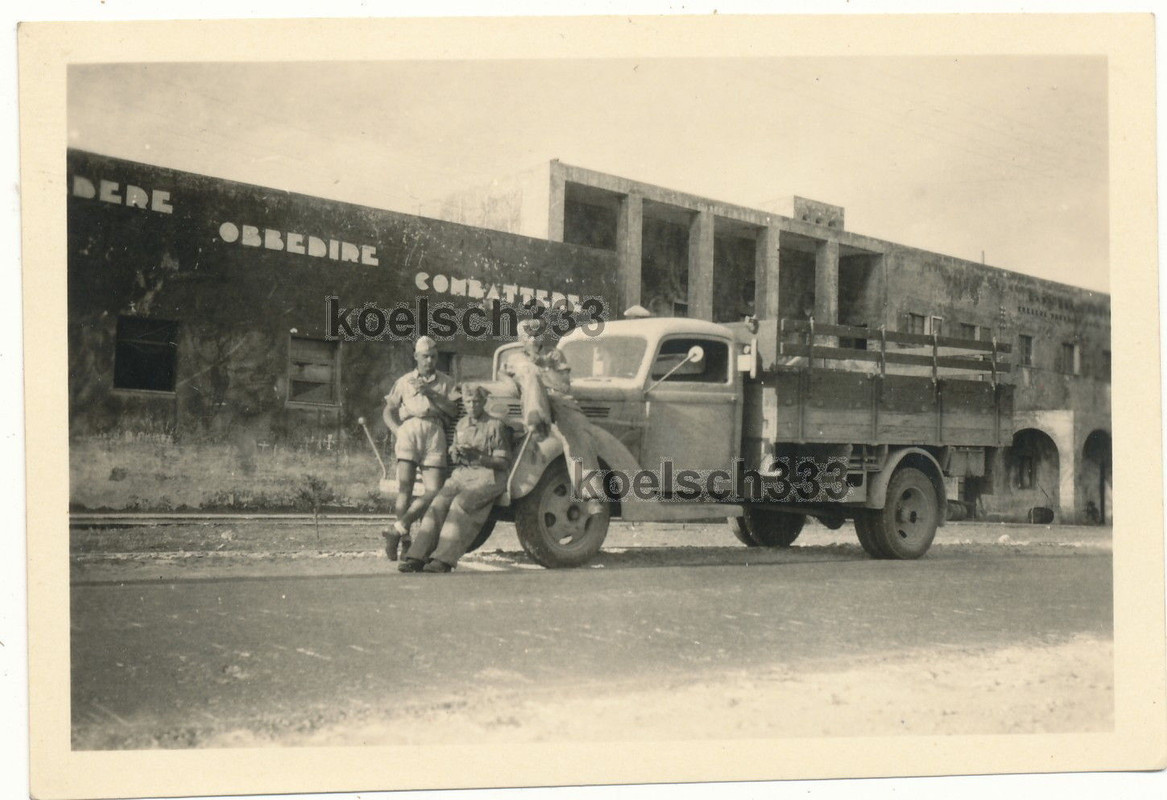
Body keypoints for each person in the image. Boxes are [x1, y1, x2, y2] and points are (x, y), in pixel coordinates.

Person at [399, 385, 512, 573]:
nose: (472, 405)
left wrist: (478, 456)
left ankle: (443, 560)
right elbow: (454, 452)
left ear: (484, 402)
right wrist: (455, 453)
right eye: (468, 402)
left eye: (476, 401)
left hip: (489, 476)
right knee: (438, 503)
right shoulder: (461, 424)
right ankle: (417, 556)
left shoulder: (495, 426)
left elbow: (503, 462)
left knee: (460, 504)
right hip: (463, 474)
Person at [505, 318, 606, 513]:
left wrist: (546, 365)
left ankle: (591, 494)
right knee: (532, 378)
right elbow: (504, 378)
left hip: (557, 398)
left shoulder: (555, 355)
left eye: (537, 335)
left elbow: (564, 385)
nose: (533, 340)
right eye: (528, 336)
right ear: (521, 338)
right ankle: (536, 423)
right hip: (530, 401)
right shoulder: (513, 358)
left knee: (579, 430)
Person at [381, 336, 458, 560]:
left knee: (434, 491)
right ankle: (406, 542)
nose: (429, 361)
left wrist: (430, 392)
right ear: (416, 357)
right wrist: (397, 431)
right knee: (404, 489)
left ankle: (399, 528)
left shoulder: (446, 382)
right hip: (409, 430)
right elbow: (388, 410)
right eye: (425, 356)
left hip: (435, 432)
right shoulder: (404, 381)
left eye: (433, 357)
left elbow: (452, 411)